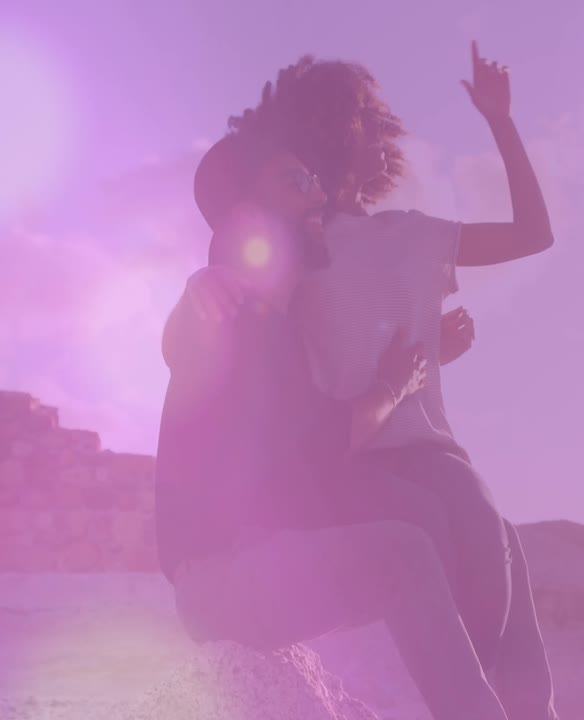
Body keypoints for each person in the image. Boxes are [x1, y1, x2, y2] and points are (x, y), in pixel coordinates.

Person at [169, 42, 560, 720]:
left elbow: (530, 234)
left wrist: (501, 122)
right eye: (298, 177)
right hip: (315, 495)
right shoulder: (268, 281)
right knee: (423, 541)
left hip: (367, 468)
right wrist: (200, 283)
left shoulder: (376, 252)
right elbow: (210, 325)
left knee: (488, 537)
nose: (313, 192)